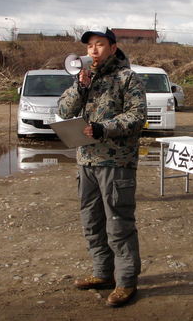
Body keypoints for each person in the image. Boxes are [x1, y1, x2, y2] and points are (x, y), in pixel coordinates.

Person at [58, 26, 147, 307]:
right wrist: (80, 87)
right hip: (86, 161)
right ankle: (102, 273)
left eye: (98, 45)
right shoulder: (85, 78)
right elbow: (63, 111)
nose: (92, 51)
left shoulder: (127, 78)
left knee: (118, 224)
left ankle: (126, 281)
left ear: (112, 47)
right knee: (92, 220)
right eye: (88, 47)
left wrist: (103, 128)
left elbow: (137, 116)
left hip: (116, 162)